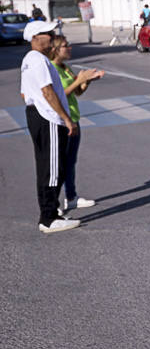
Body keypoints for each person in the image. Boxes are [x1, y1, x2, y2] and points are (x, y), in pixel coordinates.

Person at [20, 21, 80, 234]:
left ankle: (51, 211)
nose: (53, 35)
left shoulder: (30, 60)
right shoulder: (38, 61)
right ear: (35, 38)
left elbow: (25, 93)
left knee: (49, 166)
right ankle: (49, 218)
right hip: (48, 118)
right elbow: (47, 91)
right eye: (48, 33)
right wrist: (66, 118)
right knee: (53, 169)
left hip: (37, 115)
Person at [49, 35, 104, 213]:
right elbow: (55, 96)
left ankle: (71, 197)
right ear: (56, 50)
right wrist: (79, 81)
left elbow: (76, 93)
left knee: (70, 162)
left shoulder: (65, 67)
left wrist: (87, 80)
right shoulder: (52, 69)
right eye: (66, 46)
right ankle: (53, 204)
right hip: (61, 120)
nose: (69, 48)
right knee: (60, 164)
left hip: (73, 118)